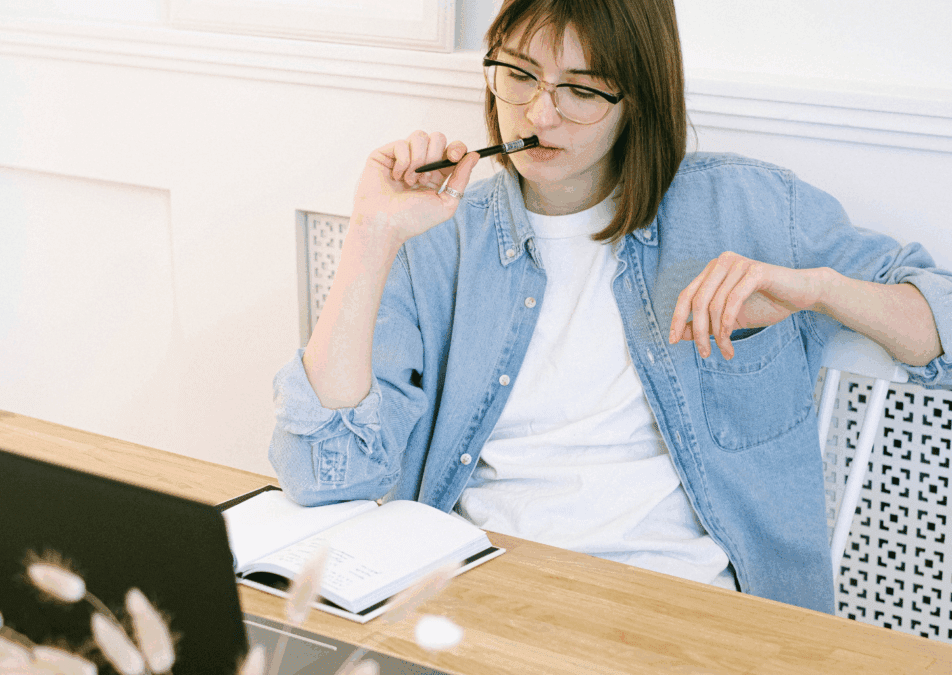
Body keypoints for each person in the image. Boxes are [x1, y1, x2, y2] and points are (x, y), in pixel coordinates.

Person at [268, 0, 951, 614]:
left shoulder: (750, 207)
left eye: (582, 89)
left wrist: (819, 289)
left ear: (637, 99)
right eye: (520, 75)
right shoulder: (442, 240)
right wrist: (371, 233)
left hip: (687, 613)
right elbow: (324, 474)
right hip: (483, 604)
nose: (541, 114)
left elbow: (940, 323)